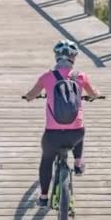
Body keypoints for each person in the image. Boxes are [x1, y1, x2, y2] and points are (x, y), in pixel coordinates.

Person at [24, 39, 101, 208]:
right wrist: (95, 95)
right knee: (79, 129)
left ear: (56, 57)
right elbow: (94, 93)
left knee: (47, 160)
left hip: (53, 134)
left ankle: (44, 197)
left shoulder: (46, 77)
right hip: (75, 134)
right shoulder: (81, 77)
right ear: (74, 57)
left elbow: (31, 95)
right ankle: (78, 163)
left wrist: (29, 97)